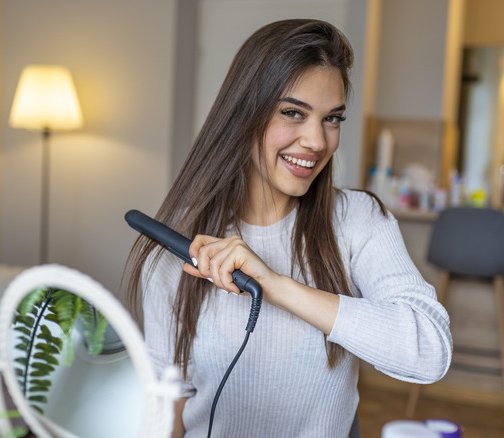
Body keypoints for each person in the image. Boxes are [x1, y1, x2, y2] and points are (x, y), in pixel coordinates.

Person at [124, 18, 452, 438]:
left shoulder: (356, 220)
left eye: (332, 118)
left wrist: (275, 285)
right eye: (293, 113)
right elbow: (168, 402)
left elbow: (429, 352)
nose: (317, 141)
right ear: (244, 115)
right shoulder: (184, 241)